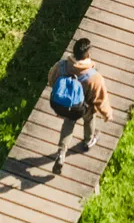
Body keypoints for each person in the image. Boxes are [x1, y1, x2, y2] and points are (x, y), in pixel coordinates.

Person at [47, 37, 110, 173]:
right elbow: (101, 99)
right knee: (89, 118)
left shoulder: (61, 66)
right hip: (83, 107)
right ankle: (88, 140)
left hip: (66, 106)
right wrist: (107, 114)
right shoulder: (94, 77)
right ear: (88, 54)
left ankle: (61, 152)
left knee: (68, 123)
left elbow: (51, 79)